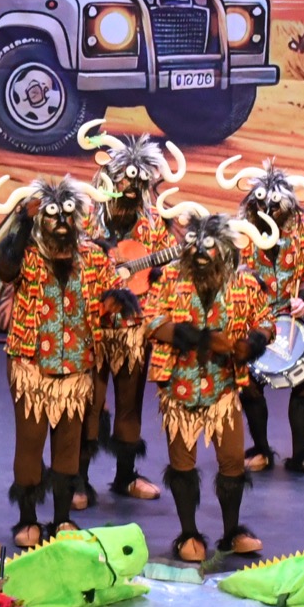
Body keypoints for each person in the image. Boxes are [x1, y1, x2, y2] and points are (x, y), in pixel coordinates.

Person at [0, 175, 137, 546]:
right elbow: (5, 271)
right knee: (30, 443)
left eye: (66, 213)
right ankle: (27, 518)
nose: (60, 220)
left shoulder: (93, 256)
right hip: (31, 367)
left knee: (69, 447)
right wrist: (23, 223)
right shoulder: (26, 252)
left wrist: (115, 305)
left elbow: (114, 295)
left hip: (76, 368)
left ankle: (62, 518)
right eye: (52, 214)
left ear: (77, 217)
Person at [142, 195, 277, 562]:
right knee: (182, 464)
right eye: (195, 245)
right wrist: (197, 338)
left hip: (223, 390)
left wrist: (253, 342)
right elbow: (151, 320)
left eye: (209, 246)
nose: (200, 252)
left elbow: (266, 320)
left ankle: (231, 532)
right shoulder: (169, 278)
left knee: (232, 463)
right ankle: (188, 533)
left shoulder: (244, 283)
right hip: (180, 388)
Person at [75, 120, 189, 506]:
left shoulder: (154, 223)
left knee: (129, 405)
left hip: (133, 331)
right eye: (123, 180)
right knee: (89, 404)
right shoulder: (87, 217)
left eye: (136, 183)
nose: (129, 188)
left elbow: (167, 270)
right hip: (92, 327)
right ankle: (78, 479)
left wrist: (153, 274)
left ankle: (125, 476)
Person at [215, 156, 304, 475]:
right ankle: (261, 448)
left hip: (290, 317)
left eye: (276, 206)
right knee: (250, 384)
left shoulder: (300, 225)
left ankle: (300, 453)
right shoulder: (241, 229)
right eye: (262, 204)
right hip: (253, 320)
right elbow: (228, 273)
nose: (269, 210)